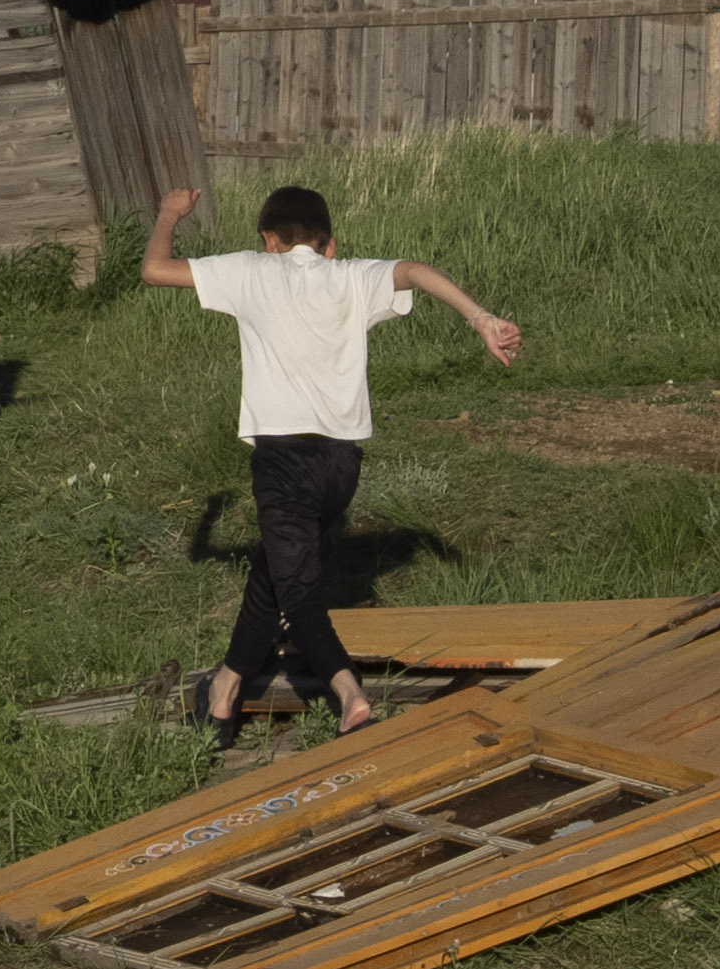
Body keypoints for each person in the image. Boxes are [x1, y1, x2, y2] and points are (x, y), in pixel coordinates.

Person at [140, 175, 519, 729]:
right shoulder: (350, 277)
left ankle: (348, 695)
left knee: (299, 596)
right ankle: (225, 688)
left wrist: (170, 213)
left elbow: (155, 269)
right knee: (275, 570)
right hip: (341, 467)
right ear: (330, 245)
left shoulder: (251, 269)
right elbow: (413, 270)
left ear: (270, 240)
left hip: (283, 459)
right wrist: (479, 318)